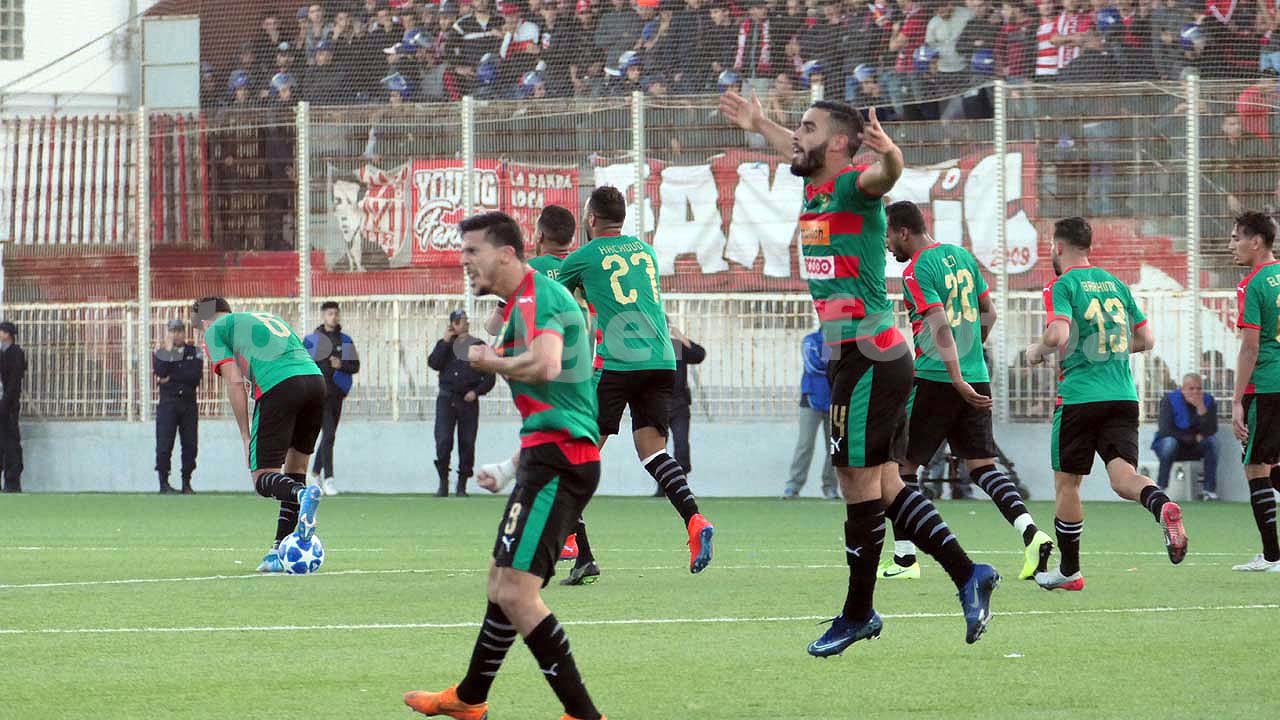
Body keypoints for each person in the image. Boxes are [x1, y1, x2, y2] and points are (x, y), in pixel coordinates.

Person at [718, 91, 999, 654]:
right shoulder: (816, 185)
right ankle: (969, 573)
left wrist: (891, 155)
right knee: (887, 484)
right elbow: (795, 147)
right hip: (866, 357)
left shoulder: (851, 186)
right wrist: (761, 123)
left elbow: (884, 176)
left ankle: (858, 613)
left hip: (869, 357)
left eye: (808, 128)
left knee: (856, 484)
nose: (796, 136)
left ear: (839, 144)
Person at [402, 211, 607, 720]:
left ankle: (583, 714)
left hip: (561, 461)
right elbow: (562, 399)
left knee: (517, 592)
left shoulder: (539, 296)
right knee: (500, 582)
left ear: (507, 254)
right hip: (545, 455)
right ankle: (469, 699)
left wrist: (489, 361)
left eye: (472, 251)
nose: (464, 261)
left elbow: (546, 364)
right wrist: (512, 466)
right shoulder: (521, 303)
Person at [883, 200, 1053, 583]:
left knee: (901, 466)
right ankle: (1031, 533)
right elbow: (989, 313)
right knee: (983, 467)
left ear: (903, 232)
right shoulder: (962, 257)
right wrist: (970, 355)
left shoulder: (915, 270)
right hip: (975, 375)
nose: (887, 244)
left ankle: (905, 558)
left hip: (936, 378)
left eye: (888, 235)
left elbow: (939, 323)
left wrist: (955, 375)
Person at [555, 186, 717, 586]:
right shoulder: (645, 252)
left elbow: (554, 297)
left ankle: (571, 541)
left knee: (574, 454)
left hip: (618, 363)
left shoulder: (583, 256)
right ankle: (695, 519)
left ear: (591, 219)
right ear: (622, 218)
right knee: (654, 453)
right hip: (661, 360)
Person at [1025, 217, 1188, 591]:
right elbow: (1146, 340)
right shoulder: (1116, 284)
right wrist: (1107, 350)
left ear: (1058, 247)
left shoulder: (1062, 285)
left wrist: (1037, 351)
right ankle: (1161, 504)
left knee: (1068, 484)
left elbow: (1058, 333)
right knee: (1123, 477)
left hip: (1080, 398)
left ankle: (1070, 571)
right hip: (1122, 396)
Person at [193, 297, 326, 574]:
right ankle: (278, 551)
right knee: (295, 470)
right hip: (316, 382)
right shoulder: (266, 318)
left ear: (204, 322)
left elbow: (234, 381)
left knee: (263, 478)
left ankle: (303, 494)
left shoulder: (214, 330)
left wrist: (245, 435)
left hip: (279, 385)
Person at [1228, 212, 1280, 572]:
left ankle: (1272, 556)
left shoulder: (1253, 284)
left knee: (1256, 467)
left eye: (1236, 238)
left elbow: (1250, 347)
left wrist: (1236, 401)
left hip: (1266, 385)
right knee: (1273, 465)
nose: (1231, 245)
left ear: (1256, 241)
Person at [429, 309, 497, 497]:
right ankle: (443, 482)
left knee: (467, 442)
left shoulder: (477, 345)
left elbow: (490, 376)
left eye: (465, 320)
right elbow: (434, 363)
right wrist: (445, 341)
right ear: (452, 325)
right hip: (446, 399)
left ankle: (462, 485)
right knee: (443, 440)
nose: (463, 323)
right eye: (459, 321)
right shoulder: (445, 345)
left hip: (468, 401)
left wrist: (476, 392)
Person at [304, 301, 361, 496]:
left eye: (336, 313)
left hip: (337, 395)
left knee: (329, 436)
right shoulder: (312, 341)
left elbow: (355, 366)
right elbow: (300, 364)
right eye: (330, 313)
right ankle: (328, 479)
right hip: (318, 395)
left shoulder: (345, 340)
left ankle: (314, 473)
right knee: (328, 435)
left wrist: (341, 364)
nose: (333, 317)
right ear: (323, 316)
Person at [783, 327, 838, 500]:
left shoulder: (839, 342)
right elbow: (814, 366)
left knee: (834, 447)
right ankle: (793, 486)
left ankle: (830, 487)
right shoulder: (811, 340)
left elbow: (839, 368)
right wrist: (832, 361)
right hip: (811, 400)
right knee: (805, 444)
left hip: (834, 400)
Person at [153, 319, 203, 494]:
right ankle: (163, 482)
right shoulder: (161, 353)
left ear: (184, 332)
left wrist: (170, 378)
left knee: (190, 444)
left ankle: (186, 482)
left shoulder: (195, 352)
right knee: (164, 444)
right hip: (168, 404)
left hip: (188, 404)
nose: (176, 335)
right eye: (173, 331)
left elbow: (194, 377)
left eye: (180, 331)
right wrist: (168, 352)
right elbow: (160, 371)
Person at [1152, 373, 1219, 501]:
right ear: (1182, 389)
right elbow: (1166, 429)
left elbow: (1212, 429)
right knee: (1169, 443)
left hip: (1194, 447)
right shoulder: (1169, 400)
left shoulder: (1208, 401)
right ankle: (1161, 487)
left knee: (1213, 442)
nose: (1195, 392)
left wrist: (1201, 410)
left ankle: (1209, 490)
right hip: (1173, 445)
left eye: (1199, 388)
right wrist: (1192, 438)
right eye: (1191, 388)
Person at [666, 318, 706, 486]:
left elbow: (699, 355)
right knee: (657, 449)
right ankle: (663, 486)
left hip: (679, 404)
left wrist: (680, 337)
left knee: (681, 445)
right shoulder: (649, 348)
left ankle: (681, 485)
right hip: (656, 404)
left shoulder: (675, 346)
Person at [0, 321, 26, 493]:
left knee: (11, 442)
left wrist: (5, 403)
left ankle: (12, 482)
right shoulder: (2, 353)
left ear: (8, 334)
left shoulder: (16, 353)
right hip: (2, 402)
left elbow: (14, 381)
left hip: (9, 406)